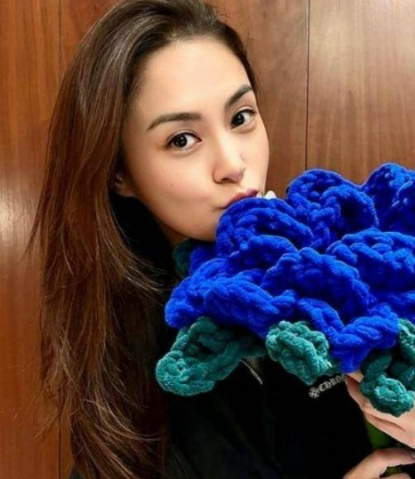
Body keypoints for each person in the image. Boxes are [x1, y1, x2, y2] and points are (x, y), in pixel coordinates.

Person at [25, 0, 415, 478]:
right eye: (182, 140)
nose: (233, 163)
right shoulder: (126, 354)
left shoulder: (360, 264)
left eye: (241, 117)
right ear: (119, 172)